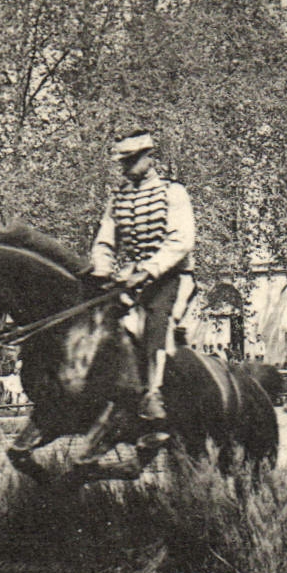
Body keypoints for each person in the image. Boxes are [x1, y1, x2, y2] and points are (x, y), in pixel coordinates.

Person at [89, 130, 195, 433]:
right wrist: (102, 271)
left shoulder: (172, 192)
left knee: (155, 322)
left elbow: (180, 240)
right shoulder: (118, 198)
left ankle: (154, 393)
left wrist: (148, 270)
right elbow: (105, 241)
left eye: (131, 160)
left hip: (172, 277)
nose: (125, 167)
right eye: (122, 161)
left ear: (149, 158)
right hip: (133, 281)